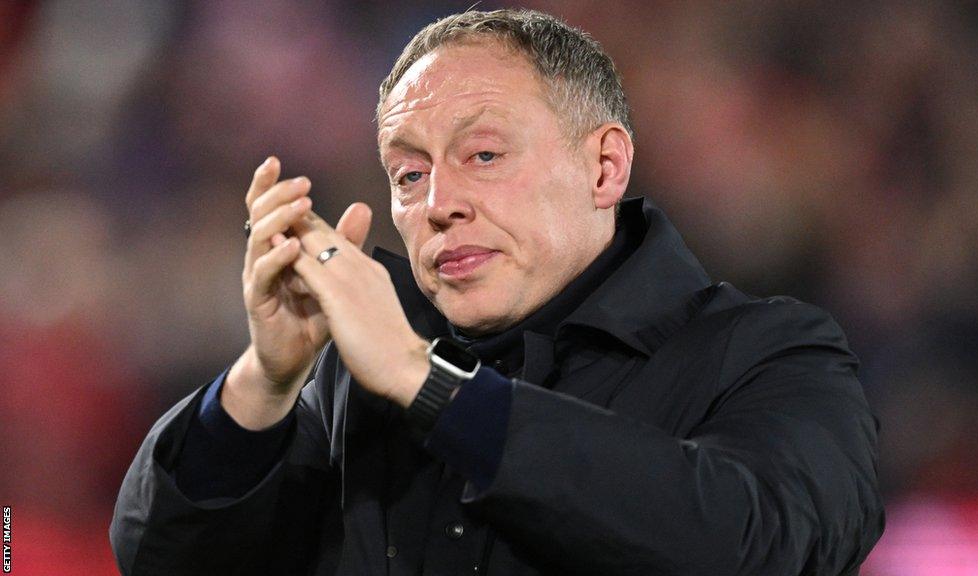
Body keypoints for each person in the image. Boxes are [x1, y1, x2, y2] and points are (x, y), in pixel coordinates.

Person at [111, 9, 884, 575]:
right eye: (409, 174)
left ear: (605, 169)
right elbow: (161, 557)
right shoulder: (349, 379)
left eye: (482, 154)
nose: (438, 202)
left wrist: (431, 387)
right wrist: (265, 379)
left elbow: (756, 548)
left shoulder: (773, 354)